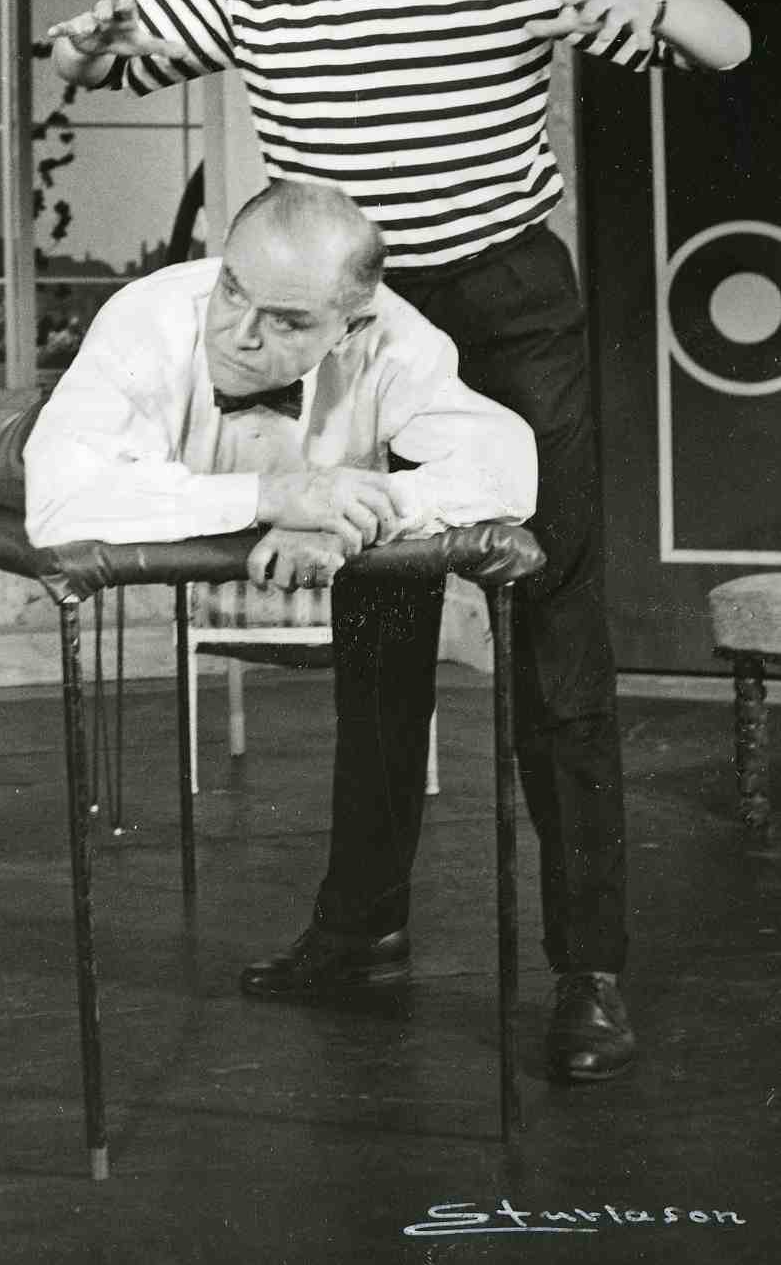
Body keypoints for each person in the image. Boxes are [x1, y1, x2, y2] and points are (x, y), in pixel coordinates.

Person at [45, 0, 752, 1081]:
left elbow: (724, 43)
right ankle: (359, 930)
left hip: (509, 314)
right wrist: (83, 41)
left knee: (552, 630)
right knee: (377, 637)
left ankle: (589, 969)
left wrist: (661, 13)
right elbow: (108, 55)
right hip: (357, 330)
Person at [26, 178, 535, 988]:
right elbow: (57, 503)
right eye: (232, 290)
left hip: (276, 494)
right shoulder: (148, 316)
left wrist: (349, 511)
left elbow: (508, 463)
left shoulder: (397, 339)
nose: (240, 335)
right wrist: (275, 497)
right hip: (47, 453)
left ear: (351, 324)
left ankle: (363, 930)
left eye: (288, 322)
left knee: (397, 589)